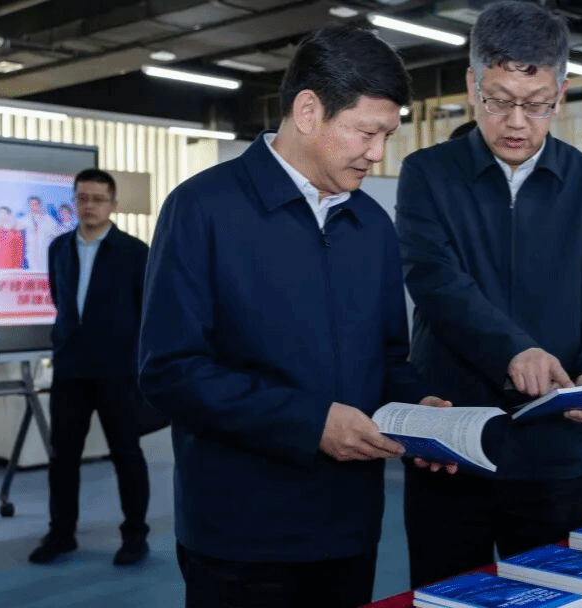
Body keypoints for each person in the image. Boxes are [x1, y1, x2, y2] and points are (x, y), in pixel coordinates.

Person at [138, 25, 449, 608]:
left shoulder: (372, 226)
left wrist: (417, 412)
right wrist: (310, 423)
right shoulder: (202, 209)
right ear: (308, 111)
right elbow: (170, 371)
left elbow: (387, 359)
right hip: (240, 534)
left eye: (387, 135)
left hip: (348, 527)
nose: (378, 153)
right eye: (366, 132)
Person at [396, 1, 582, 588]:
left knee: (553, 594)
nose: (516, 122)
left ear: (561, 91)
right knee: (446, 592)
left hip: (554, 451)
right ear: (471, 85)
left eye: (536, 105)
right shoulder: (427, 173)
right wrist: (514, 351)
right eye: (498, 100)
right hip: (450, 442)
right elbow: (435, 281)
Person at [29, 169, 151, 565]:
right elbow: (60, 299)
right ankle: (61, 534)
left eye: (98, 199)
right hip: (70, 369)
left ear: (113, 204)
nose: (89, 206)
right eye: (82, 198)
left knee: (126, 454)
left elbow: (146, 310)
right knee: (63, 457)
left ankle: (135, 536)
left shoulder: (135, 252)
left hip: (119, 371)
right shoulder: (59, 248)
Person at [21, 195, 59, 271]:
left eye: (35, 204)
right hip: (32, 252)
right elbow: (16, 226)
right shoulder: (26, 219)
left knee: (45, 271)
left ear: (40, 205)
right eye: (31, 205)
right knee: (33, 272)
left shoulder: (48, 219)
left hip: (44, 251)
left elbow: (57, 233)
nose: (33, 207)